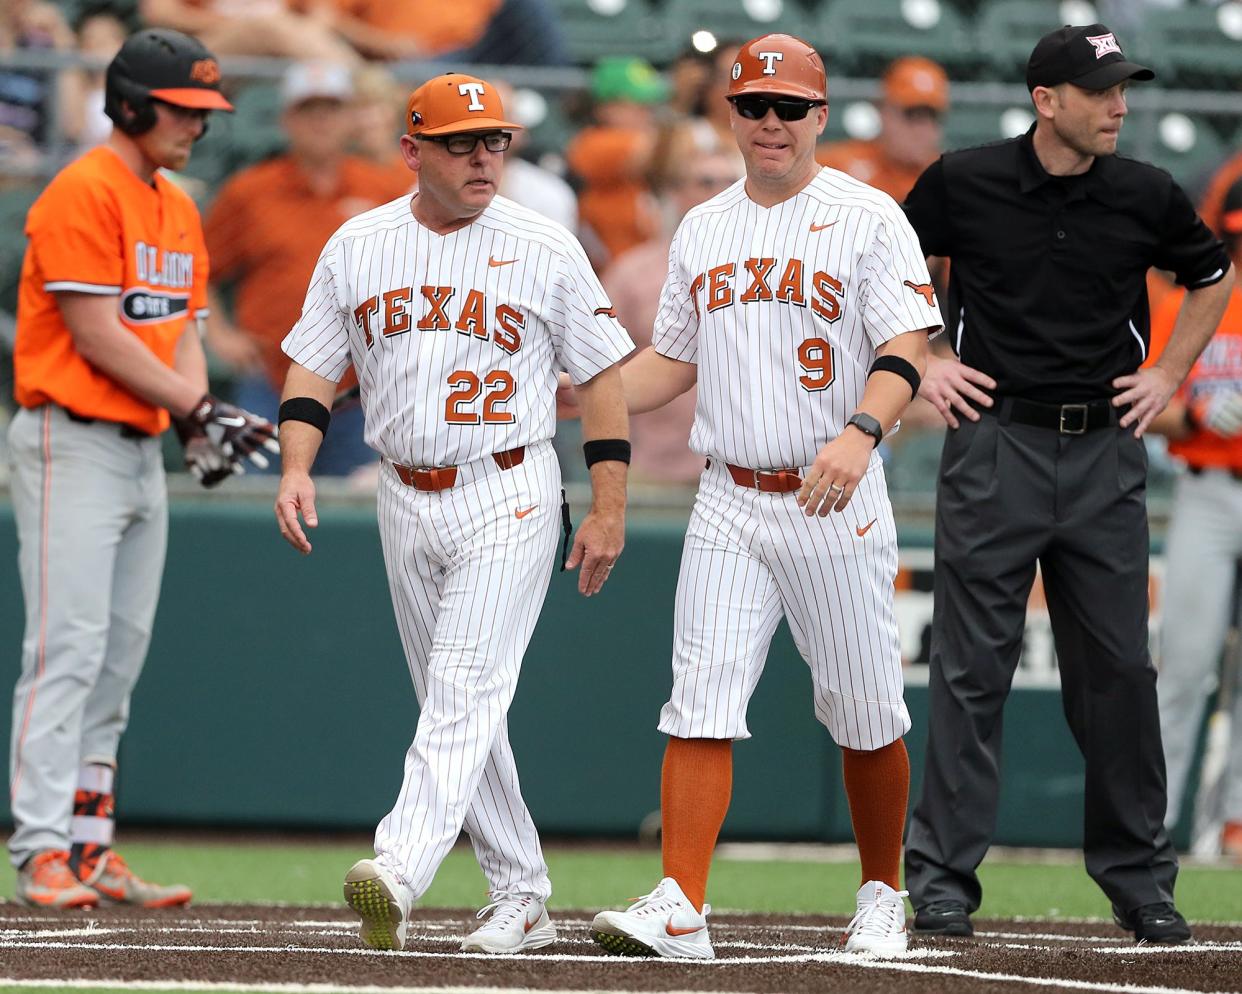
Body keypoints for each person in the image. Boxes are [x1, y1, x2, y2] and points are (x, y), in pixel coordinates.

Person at [583, 33, 939, 959]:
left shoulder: (869, 215)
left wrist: (863, 432)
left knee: (866, 709)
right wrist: (590, 380)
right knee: (698, 698)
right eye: (753, 106)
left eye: (790, 107)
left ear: (821, 115)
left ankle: (881, 892)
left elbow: (907, 348)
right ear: (730, 115)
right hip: (731, 495)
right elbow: (673, 364)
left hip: (836, 495)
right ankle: (682, 903)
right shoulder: (703, 227)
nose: (771, 122)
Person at [273, 72, 633, 954]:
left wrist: (608, 507)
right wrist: (296, 467)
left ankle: (396, 869)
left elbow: (603, 379)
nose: (484, 157)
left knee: (464, 689)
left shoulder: (544, 243)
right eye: (462, 142)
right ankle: (521, 893)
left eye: (495, 141)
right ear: (412, 151)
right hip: (404, 489)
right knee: (458, 704)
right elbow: (314, 368)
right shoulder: (358, 244)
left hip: (507, 484)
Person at [902, 23, 1234, 944]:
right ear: (1046, 101)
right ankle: (941, 882)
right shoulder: (961, 182)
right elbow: (887, 270)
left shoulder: (1147, 191)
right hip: (994, 443)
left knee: (1120, 675)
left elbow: (1210, 275)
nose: (1121, 104)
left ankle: (1140, 883)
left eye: (1125, 88)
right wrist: (928, 357)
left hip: (1103, 454)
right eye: (1102, 90)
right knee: (971, 670)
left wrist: (1170, 372)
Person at [7, 27, 278, 910]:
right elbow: (96, 333)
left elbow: (184, 328)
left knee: (117, 656)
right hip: (70, 436)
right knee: (67, 649)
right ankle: (42, 848)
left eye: (205, 111)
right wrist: (195, 410)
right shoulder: (82, 189)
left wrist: (191, 420)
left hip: (135, 446)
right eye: (182, 108)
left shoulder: (176, 202)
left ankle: (90, 845)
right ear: (130, 103)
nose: (197, 125)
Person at [204, 60, 411, 476]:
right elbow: (198, 267)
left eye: (331, 109)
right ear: (286, 119)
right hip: (269, 380)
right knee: (252, 506)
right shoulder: (250, 191)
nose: (320, 122)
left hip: (361, 388)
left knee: (355, 520)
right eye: (308, 110)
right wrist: (220, 334)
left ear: (350, 117)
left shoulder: (385, 188)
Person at [1148, 175, 1242, 860]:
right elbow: (1144, 401)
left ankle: (1236, 822)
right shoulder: (1188, 301)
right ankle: (1153, 821)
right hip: (1204, 485)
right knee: (1182, 660)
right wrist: (1199, 415)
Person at [600, 149, 741, 485]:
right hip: (653, 468)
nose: (720, 191)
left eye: (731, 182)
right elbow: (600, 366)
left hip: (744, 473)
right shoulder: (631, 273)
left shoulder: (770, 269)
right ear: (676, 193)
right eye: (706, 181)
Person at [566, 57, 667, 269]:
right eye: (637, 104)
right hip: (611, 275)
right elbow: (659, 151)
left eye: (650, 105)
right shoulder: (593, 143)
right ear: (606, 107)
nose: (646, 112)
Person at [817, 56, 949, 204]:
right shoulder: (838, 166)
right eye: (912, 115)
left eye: (932, 116)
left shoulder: (950, 182)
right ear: (884, 111)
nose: (922, 129)